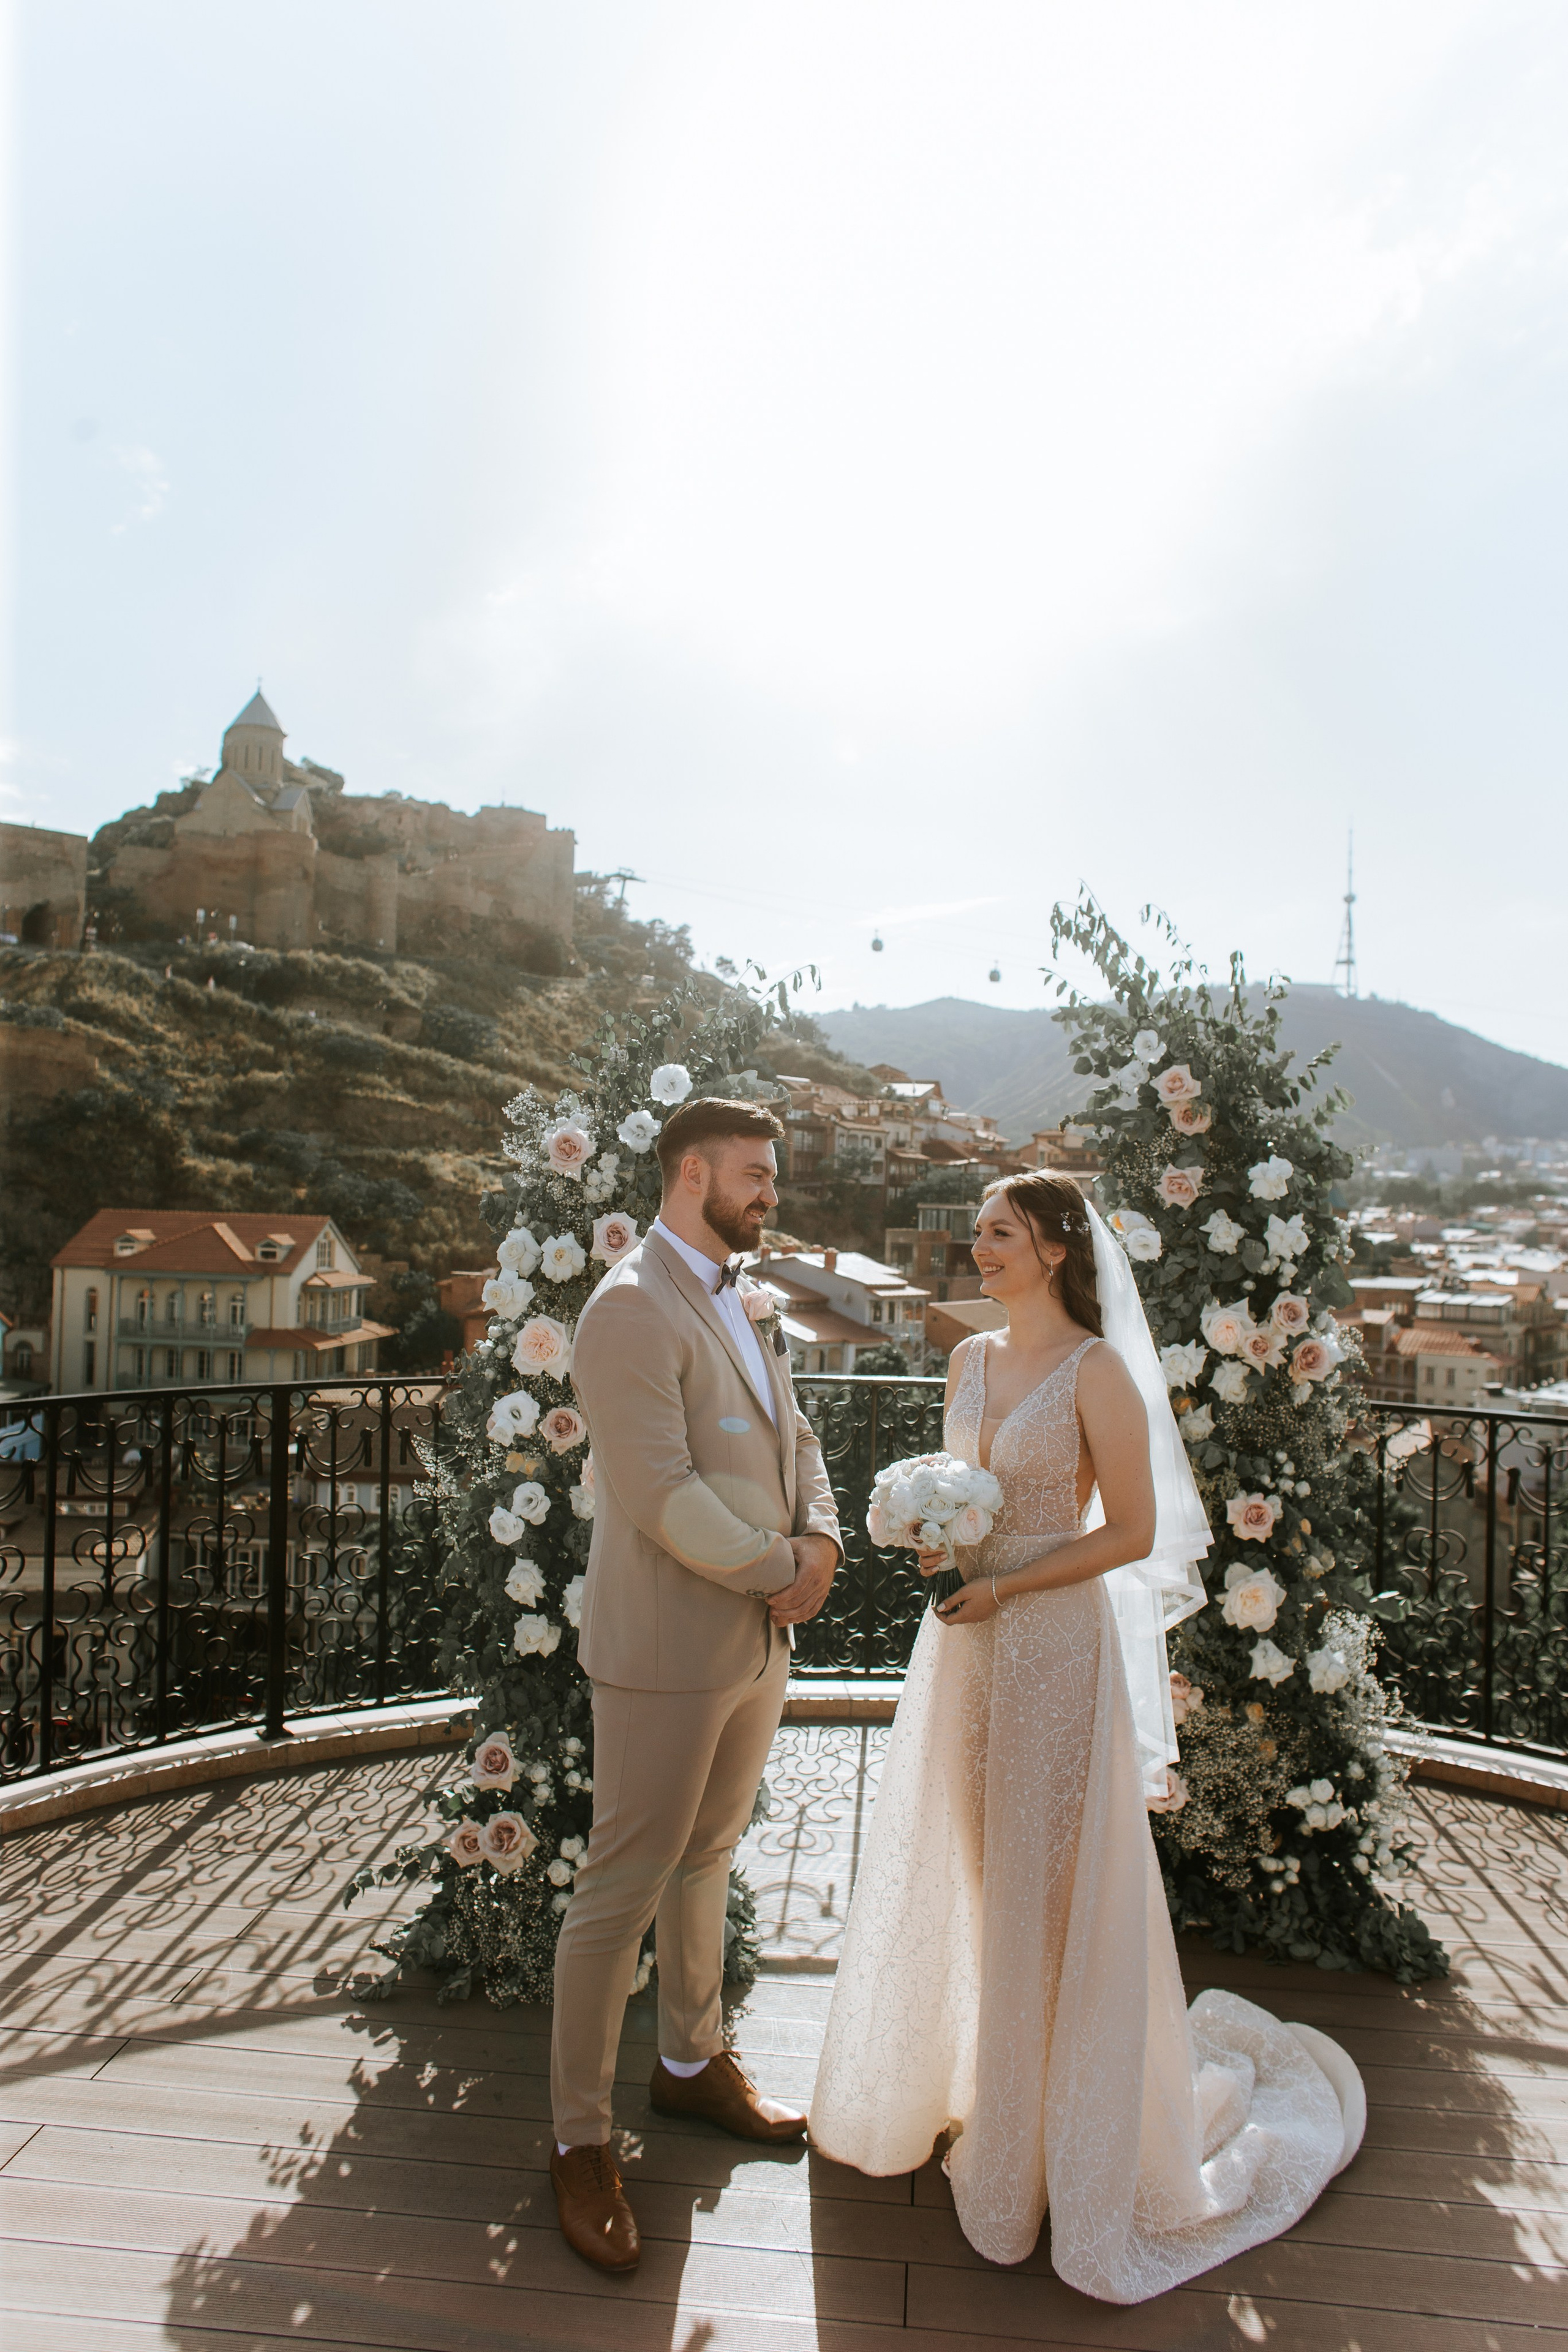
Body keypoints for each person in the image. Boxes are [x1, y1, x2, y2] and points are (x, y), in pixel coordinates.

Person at [808, 1174, 1364, 2305]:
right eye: (978, 1234)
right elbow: (965, 1497)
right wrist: (937, 1545)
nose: (981, 1251)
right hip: (966, 1647)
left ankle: (1057, 2139)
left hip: (1057, 1650)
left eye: (1001, 1235)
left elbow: (1138, 1532)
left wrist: (1008, 1585)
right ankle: (989, 2093)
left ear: (1059, 1250)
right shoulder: (966, 1361)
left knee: (1049, 1881)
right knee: (975, 1866)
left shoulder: (1097, 1372)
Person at [550, 1096, 843, 2273]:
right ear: (689, 1174)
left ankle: (688, 2066)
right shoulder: (627, 1310)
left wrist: (821, 1541)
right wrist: (784, 1569)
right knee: (620, 1884)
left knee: (711, 1857)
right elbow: (663, 1494)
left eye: (770, 1175)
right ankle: (578, 2139)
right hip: (669, 1649)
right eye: (753, 1175)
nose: (769, 1192)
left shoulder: (741, 1292)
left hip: (758, 1642)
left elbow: (797, 1437)